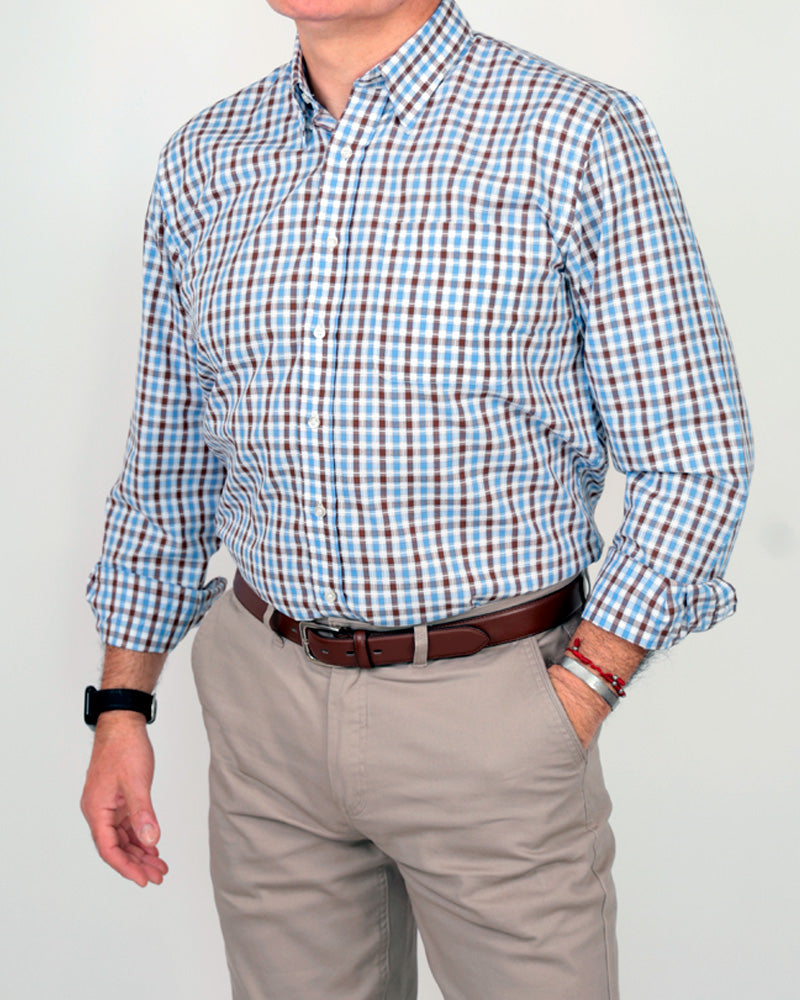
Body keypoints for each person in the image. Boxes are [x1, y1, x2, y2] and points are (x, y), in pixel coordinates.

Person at [80, 0, 753, 997]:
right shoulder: (205, 156)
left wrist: (578, 692)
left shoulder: (573, 132)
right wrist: (120, 706)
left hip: (489, 708)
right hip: (264, 710)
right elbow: (167, 461)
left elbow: (694, 458)